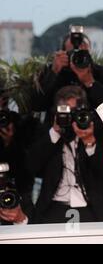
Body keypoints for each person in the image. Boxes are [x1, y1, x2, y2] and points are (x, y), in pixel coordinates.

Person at [26, 86, 103, 223]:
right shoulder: (46, 133)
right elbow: (30, 166)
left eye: (75, 112)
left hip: (94, 207)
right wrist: (55, 133)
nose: (70, 118)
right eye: (66, 112)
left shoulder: (98, 131)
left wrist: (89, 141)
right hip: (54, 206)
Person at [0, 94, 37, 225]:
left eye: (3, 106)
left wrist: (9, 141)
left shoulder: (17, 123)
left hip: (15, 191)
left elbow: (26, 167)